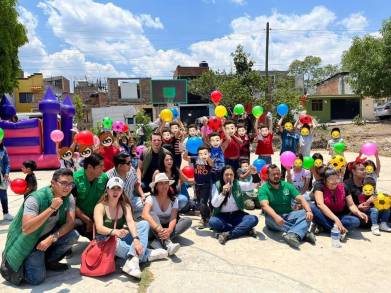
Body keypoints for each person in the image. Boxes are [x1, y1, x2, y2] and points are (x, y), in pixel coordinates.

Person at [1, 169, 79, 285]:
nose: (67, 187)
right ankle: (23, 264)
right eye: (63, 183)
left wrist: (52, 237)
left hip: (45, 238)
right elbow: (26, 228)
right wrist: (51, 208)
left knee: (73, 235)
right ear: (53, 183)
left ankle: (48, 261)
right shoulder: (35, 199)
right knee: (36, 279)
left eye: (70, 184)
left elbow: (70, 223)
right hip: (28, 241)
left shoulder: (69, 197)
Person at [93, 177, 167, 279]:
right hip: (106, 241)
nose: (115, 191)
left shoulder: (124, 205)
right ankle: (145, 254)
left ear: (122, 190)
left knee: (144, 224)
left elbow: (131, 222)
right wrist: (114, 232)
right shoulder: (100, 206)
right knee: (117, 243)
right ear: (107, 190)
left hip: (119, 236)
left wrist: (136, 240)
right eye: (113, 188)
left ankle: (133, 259)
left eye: (118, 188)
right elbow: (99, 228)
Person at [258, 164, 315, 248]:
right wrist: (276, 216)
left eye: (278, 173)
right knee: (271, 218)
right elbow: (264, 205)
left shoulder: (287, 185)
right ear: (267, 176)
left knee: (306, 213)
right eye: (273, 174)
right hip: (273, 218)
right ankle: (303, 233)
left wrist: (309, 211)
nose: (276, 176)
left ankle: (294, 234)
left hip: (289, 215)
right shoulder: (264, 189)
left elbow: (301, 199)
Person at [310, 168, 368, 240]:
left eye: (336, 179)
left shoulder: (344, 187)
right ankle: (339, 230)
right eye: (331, 179)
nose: (334, 182)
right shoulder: (319, 186)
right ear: (324, 180)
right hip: (324, 215)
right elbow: (320, 204)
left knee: (355, 221)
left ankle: (324, 226)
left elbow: (351, 205)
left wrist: (358, 212)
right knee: (312, 207)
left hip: (340, 215)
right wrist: (336, 219)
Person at [142, 173, 192, 256]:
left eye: (166, 183)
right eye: (161, 183)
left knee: (187, 220)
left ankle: (158, 241)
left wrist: (169, 230)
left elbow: (173, 218)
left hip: (168, 226)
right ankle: (167, 243)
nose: (164, 186)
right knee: (151, 214)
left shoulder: (174, 199)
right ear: (156, 186)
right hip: (154, 228)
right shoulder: (151, 198)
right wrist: (158, 229)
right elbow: (144, 214)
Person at [209, 165, 259, 244]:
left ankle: (228, 235)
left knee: (253, 219)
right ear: (222, 175)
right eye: (226, 174)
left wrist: (255, 174)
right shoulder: (216, 185)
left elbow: (253, 185)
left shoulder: (237, 184)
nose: (229, 177)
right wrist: (223, 193)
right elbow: (214, 204)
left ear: (234, 176)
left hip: (237, 215)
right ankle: (245, 230)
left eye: (231, 174)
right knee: (213, 222)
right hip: (222, 216)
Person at [73, 153, 108, 239]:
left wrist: (97, 218)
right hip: (80, 216)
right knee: (75, 225)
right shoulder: (75, 179)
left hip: (97, 215)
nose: (103, 169)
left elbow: (105, 199)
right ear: (89, 167)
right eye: (100, 166)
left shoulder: (104, 178)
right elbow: (71, 204)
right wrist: (87, 220)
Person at [106, 152, 145, 220]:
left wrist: (142, 195)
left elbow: (136, 184)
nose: (131, 164)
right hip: (117, 206)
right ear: (120, 166)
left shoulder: (131, 170)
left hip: (132, 201)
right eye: (128, 163)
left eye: (131, 161)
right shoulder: (109, 177)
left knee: (148, 203)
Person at [192, 145, 214, 227]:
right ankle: (207, 215)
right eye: (200, 154)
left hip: (206, 184)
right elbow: (185, 157)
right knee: (199, 202)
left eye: (205, 153)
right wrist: (187, 149)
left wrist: (207, 158)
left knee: (202, 202)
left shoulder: (209, 160)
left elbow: (212, 164)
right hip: (197, 184)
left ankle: (204, 219)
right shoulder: (195, 159)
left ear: (209, 154)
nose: (202, 155)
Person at [0, 139, 12, 220]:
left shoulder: (3, 149)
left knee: (3, 195)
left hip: (2, 176)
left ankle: (6, 213)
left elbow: (6, 162)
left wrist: (7, 173)